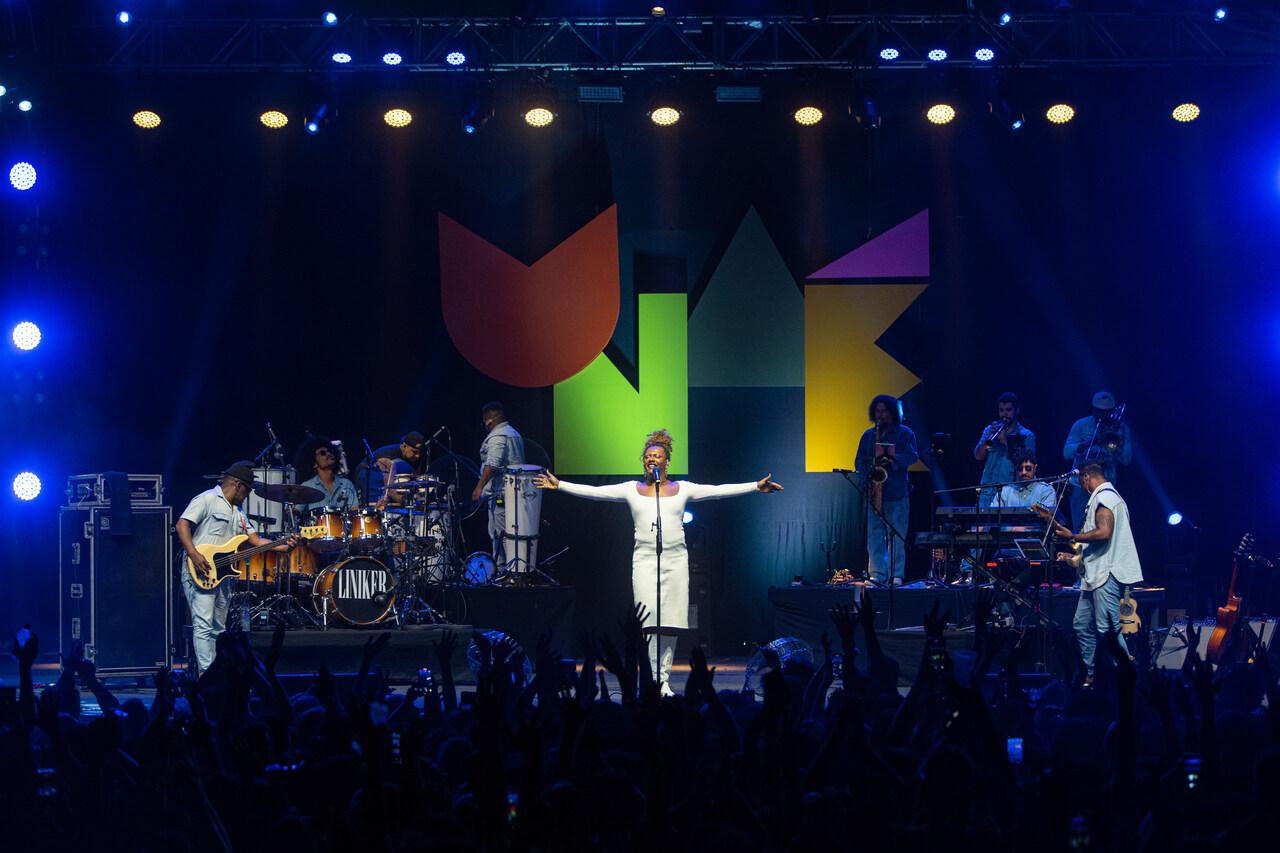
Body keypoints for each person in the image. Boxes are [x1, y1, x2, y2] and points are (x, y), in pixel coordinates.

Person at [533, 428, 783, 695]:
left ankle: (662, 679)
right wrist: (560, 485)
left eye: (657, 455)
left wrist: (755, 487)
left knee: (671, 622)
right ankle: (650, 676)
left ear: (666, 461)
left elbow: (718, 491)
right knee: (649, 622)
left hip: (675, 561)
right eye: (648, 456)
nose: (652, 459)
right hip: (644, 561)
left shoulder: (682, 489)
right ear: (644, 461)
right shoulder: (631, 490)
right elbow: (596, 492)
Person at [176, 461, 296, 675]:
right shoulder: (207, 499)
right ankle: (206, 676)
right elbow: (182, 524)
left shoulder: (238, 511)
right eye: (248, 489)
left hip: (223, 574)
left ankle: (217, 673)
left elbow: (255, 540)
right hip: (200, 569)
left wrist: (283, 546)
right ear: (239, 485)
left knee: (218, 629)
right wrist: (194, 554)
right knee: (203, 625)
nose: (248, 494)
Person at [1049, 460, 1143, 685]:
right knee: (1082, 624)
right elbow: (1095, 550)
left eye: (1081, 481)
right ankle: (1093, 674)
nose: (1081, 487)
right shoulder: (1103, 498)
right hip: (1094, 577)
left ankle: (1125, 675)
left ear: (1085, 477)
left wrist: (1071, 535)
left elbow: (1104, 533)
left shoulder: (1105, 497)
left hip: (1106, 575)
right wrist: (1072, 559)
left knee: (1107, 628)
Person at [855, 395, 918, 586]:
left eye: (884, 411)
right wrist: (865, 480)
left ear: (892, 413)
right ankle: (877, 574)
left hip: (897, 491)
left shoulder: (905, 433)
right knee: (874, 534)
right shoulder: (868, 435)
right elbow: (860, 461)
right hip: (874, 491)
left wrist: (893, 458)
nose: (880, 415)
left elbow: (913, 456)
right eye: (877, 411)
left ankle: (896, 574)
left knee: (897, 535)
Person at [1063, 391, 1132, 527]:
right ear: (1094, 410)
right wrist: (1092, 441)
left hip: (1106, 486)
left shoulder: (1121, 429)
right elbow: (1067, 453)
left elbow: (1126, 459)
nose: (1103, 416)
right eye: (1100, 412)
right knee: (1081, 529)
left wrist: (1116, 444)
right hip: (1080, 486)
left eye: (1107, 412)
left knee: (1104, 529)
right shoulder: (1081, 425)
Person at [469, 401, 526, 565]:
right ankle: (510, 570)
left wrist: (479, 487)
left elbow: (492, 463)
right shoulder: (513, 433)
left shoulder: (498, 436)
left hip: (501, 494)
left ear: (490, 420)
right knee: (509, 533)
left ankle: (505, 571)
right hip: (513, 493)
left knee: (500, 533)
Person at [974, 391, 1036, 507]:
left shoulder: (1027, 435)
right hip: (987, 492)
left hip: (1011, 493)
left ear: (1017, 411)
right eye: (1001, 410)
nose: (1004, 414)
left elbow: (1027, 465)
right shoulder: (990, 430)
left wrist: (1006, 442)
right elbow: (978, 456)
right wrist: (987, 439)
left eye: (1008, 410)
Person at [356, 431, 430, 507]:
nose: (418, 456)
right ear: (404, 446)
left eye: (420, 453)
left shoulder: (413, 458)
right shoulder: (389, 456)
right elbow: (389, 487)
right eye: (414, 452)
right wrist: (405, 501)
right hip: (367, 475)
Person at [296, 437, 360, 513]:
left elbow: (354, 511)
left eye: (330, 451)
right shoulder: (307, 486)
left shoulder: (346, 484)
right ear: (314, 464)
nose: (329, 454)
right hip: (317, 525)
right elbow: (296, 512)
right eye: (323, 453)